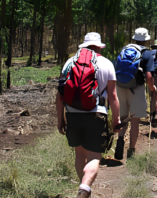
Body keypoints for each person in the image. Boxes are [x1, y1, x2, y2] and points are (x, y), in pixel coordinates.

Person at [56, 32, 120, 198]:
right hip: (96, 114)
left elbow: (60, 96)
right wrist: (116, 120)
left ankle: (83, 189)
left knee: (80, 154)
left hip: (72, 114)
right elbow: (113, 96)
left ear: (83, 46)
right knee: (94, 156)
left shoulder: (69, 62)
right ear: (99, 46)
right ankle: (85, 187)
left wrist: (60, 119)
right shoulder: (107, 63)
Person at [114, 27, 157, 160]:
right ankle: (131, 152)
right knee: (135, 121)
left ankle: (120, 142)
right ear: (146, 40)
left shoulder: (124, 49)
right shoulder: (146, 53)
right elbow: (149, 76)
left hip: (120, 86)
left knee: (123, 117)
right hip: (136, 88)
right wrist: (152, 88)